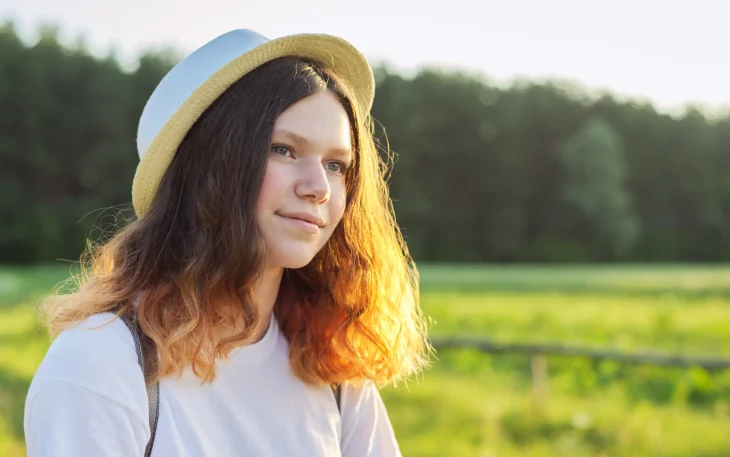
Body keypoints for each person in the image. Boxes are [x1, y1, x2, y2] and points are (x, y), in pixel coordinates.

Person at [23, 29, 432, 457]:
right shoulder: (99, 365)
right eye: (283, 150)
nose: (319, 188)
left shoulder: (333, 373)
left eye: (335, 164)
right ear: (207, 171)